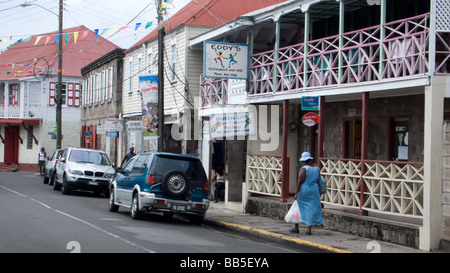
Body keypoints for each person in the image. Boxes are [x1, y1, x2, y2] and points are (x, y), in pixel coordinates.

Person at [290, 152, 323, 235]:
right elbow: (319, 180)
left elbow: (300, 181)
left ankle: (296, 227)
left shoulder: (304, 169)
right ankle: (309, 229)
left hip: (305, 189)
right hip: (314, 189)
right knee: (311, 208)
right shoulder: (317, 168)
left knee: (299, 207)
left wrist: (296, 193)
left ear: (304, 161)